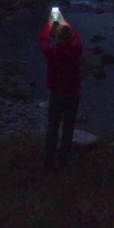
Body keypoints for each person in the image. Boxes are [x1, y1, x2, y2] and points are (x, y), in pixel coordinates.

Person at [39, 18, 82, 169]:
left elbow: (43, 41)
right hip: (73, 93)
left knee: (53, 126)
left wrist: (49, 23)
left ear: (56, 37)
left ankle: (49, 160)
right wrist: (65, 23)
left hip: (57, 94)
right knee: (68, 127)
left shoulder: (52, 52)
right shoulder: (76, 50)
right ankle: (64, 159)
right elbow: (76, 37)